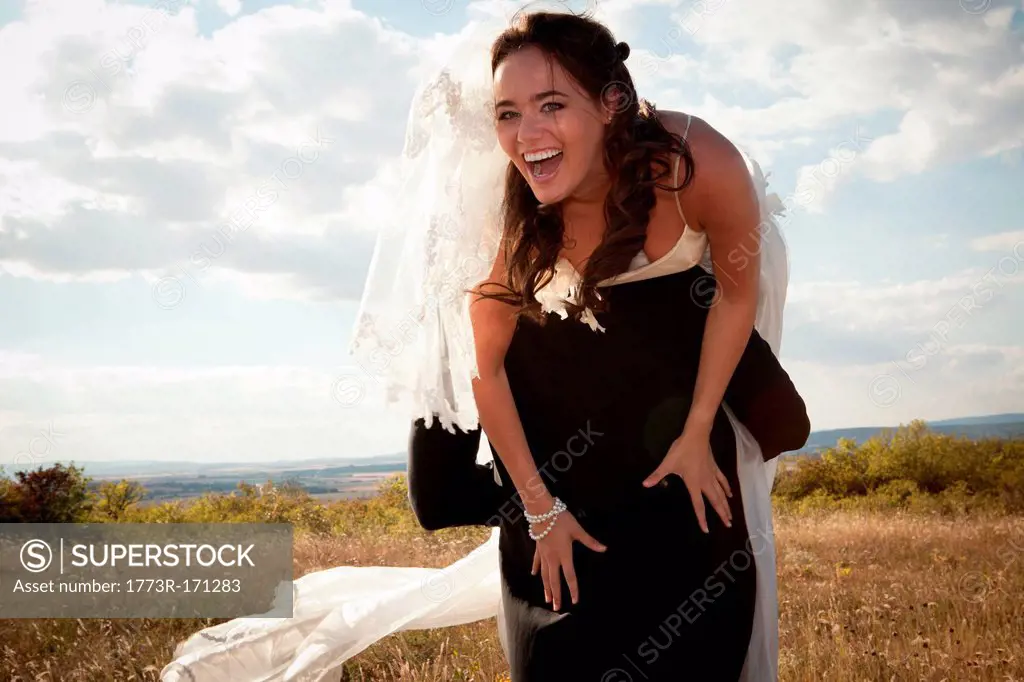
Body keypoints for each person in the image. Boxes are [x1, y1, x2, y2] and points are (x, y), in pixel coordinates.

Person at [160, 9, 806, 682]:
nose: (527, 135)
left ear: (612, 103)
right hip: (563, 446)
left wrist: (701, 427)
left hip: (676, 422)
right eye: (506, 112)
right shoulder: (510, 224)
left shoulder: (699, 164)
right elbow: (486, 370)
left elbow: (736, 295)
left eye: (551, 104)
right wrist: (539, 509)